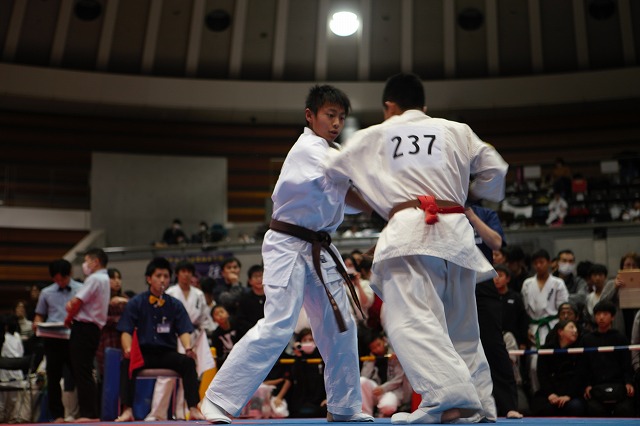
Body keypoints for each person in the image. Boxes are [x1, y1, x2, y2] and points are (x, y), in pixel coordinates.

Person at [325, 72, 508, 424]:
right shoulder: (456, 130)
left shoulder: (376, 134)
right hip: (457, 231)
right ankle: (480, 406)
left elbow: (331, 173)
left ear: (389, 106)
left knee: (407, 319)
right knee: (461, 327)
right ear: (424, 107)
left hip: (410, 232)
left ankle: (446, 395)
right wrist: (467, 194)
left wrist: (372, 203)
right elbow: (495, 170)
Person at [200, 84, 373, 424]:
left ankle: (344, 406)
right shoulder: (309, 148)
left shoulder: (332, 152)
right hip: (289, 245)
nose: (336, 123)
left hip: (320, 247)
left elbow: (349, 194)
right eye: (330, 115)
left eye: (341, 117)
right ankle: (218, 400)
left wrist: (384, 208)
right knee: (279, 325)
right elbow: (348, 175)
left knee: (340, 324)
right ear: (310, 116)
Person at [115, 257, 204, 422]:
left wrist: (188, 347)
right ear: (149, 279)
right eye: (158, 276)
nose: (162, 280)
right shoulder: (136, 303)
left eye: (166, 276)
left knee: (188, 362)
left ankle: (193, 408)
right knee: (126, 363)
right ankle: (127, 410)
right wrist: (128, 349)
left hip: (166, 353)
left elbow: (184, 330)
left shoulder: (175, 304)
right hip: (143, 354)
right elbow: (126, 330)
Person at [466, 205, 523, 419]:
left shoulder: (484, 214)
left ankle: (508, 405)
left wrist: (471, 216)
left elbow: (496, 243)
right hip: (451, 284)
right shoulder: (441, 210)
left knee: (493, 344)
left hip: (482, 283)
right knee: (453, 345)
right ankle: (462, 404)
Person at [63, 248, 111, 422]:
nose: (85, 264)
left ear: (95, 261)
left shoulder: (95, 278)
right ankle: (90, 412)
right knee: (85, 369)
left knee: (82, 370)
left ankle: (89, 413)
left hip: (84, 327)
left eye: (87, 260)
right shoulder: (105, 279)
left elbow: (77, 302)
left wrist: (68, 317)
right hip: (93, 328)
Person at [32, 259, 82, 422]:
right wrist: (37, 323)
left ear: (70, 274)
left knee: (80, 375)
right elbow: (40, 314)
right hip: (53, 338)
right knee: (53, 378)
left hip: (74, 337)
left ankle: (85, 412)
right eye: (57, 280)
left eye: (63, 279)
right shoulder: (46, 292)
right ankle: (57, 415)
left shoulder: (81, 289)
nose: (60, 283)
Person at [580, 300, 635, 417]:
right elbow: (584, 365)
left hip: (618, 385)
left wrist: (628, 382)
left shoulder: (620, 338)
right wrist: (587, 385)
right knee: (594, 410)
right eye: (598, 314)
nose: (601, 317)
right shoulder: (587, 339)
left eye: (605, 314)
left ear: (612, 317)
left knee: (624, 410)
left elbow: (626, 363)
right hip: (596, 386)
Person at [531, 319, 586, 416]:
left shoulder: (579, 350)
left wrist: (568, 395)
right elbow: (542, 375)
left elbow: (579, 376)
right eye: (571, 327)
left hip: (571, 394)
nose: (575, 331)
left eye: (576, 328)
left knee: (576, 407)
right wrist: (550, 394)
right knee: (543, 407)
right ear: (560, 332)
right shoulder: (546, 350)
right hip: (550, 392)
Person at [359, 332, 411, 418]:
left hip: (392, 391)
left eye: (378, 345)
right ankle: (366, 415)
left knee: (387, 406)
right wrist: (370, 363)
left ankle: (381, 415)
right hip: (376, 390)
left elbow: (399, 379)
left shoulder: (395, 354)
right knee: (361, 381)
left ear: (384, 340)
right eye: (373, 348)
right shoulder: (370, 358)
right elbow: (364, 377)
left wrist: (384, 388)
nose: (377, 349)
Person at [96, 268, 129, 379]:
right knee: (106, 376)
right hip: (105, 340)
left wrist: (125, 301)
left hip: (122, 340)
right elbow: (100, 319)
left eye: (119, 278)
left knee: (122, 375)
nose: (117, 281)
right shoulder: (99, 298)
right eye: (113, 278)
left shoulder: (124, 299)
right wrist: (120, 320)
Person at [600, 251, 640, 339]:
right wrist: (615, 288)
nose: (631, 268)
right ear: (622, 267)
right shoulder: (611, 284)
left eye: (634, 265)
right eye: (628, 265)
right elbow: (602, 304)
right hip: (619, 323)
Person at [235, 264, 266, 334]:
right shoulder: (244, 299)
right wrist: (255, 330)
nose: (259, 279)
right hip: (251, 334)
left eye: (261, 276)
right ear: (250, 281)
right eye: (255, 276)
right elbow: (240, 320)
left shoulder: (271, 297)